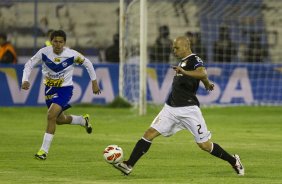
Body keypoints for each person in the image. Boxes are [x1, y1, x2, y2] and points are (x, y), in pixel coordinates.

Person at [113, 36, 245, 176]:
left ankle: (234, 161)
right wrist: (206, 83)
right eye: (173, 48)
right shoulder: (183, 62)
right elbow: (203, 77)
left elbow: (202, 72)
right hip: (170, 108)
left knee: (204, 145)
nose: (173, 51)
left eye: (176, 48)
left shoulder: (194, 59)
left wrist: (186, 72)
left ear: (186, 47)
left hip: (189, 110)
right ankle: (129, 165)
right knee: (149, 133)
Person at [21, 30, 101, 160]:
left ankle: (43, 151)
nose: (58, 44)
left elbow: (88, 63)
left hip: (65, 89)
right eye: (55, 41)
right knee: (58, 119)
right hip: (49, 90)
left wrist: (94, 83)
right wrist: (25, 79)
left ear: (64, 43)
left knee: (50, 115)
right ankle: (82, 120)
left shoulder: (71, 54)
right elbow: (29, 65)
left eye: (61, 42)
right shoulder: (43, 52)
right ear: (51, 41)